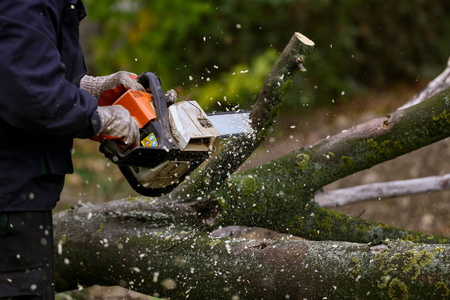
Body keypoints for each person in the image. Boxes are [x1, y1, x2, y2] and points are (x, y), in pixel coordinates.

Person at [0, 1, 143, 298]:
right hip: (10, 197)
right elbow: (30, 92)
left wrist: (87, 88)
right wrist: (95, 117)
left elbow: (25, 64)